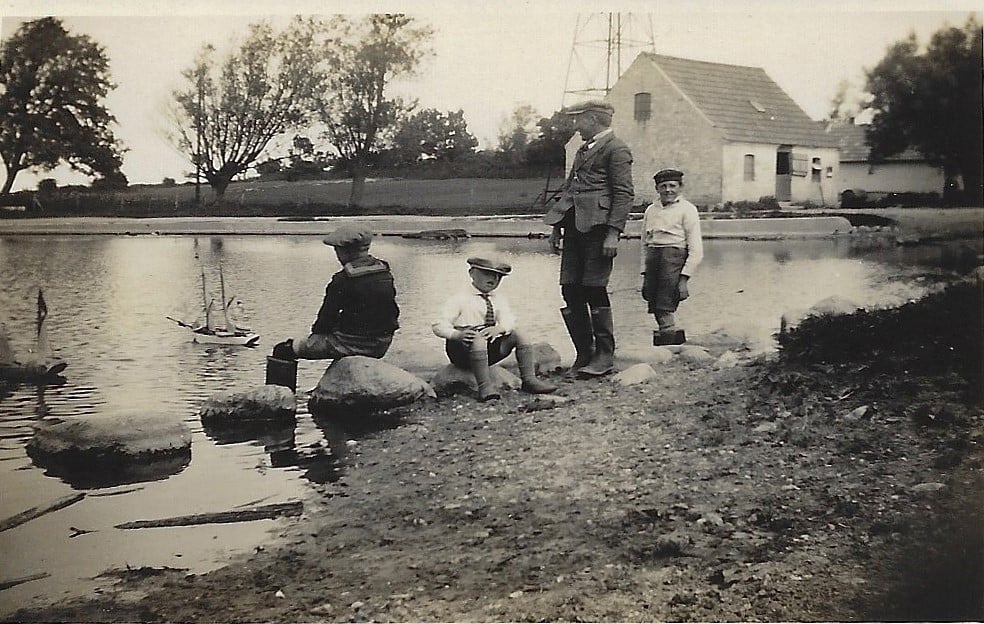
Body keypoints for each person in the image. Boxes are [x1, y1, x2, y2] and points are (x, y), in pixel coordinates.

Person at [543, 99, 634, 377]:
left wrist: (613, 233)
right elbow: (570, 190)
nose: (575, 124)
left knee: (594, 288)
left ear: (593, 119)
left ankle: (605, 356)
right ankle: (584, 353)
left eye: (578, 119)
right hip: (574, 230)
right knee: (570, 288)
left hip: (598, 231)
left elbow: (624, 194)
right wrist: (556, 226)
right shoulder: (583, 149)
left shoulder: (617, 149)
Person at [268, 224, 399, 387]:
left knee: (283, 350)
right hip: (382, 342)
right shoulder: (384, 271)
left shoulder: (343, 279)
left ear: (345, 250)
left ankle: (282, 397)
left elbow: (324, 322)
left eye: (337, 250)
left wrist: (318, 337)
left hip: (353, 343)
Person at [432, 257, 557, 402]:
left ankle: (529, 380)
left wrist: (500, 329)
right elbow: (438, 325)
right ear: (472, 273)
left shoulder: (498, 299)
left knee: (520, 334)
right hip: (462, 350)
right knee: (478, 339)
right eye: (487, 274)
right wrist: (457, 335)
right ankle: (485, 387)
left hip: (487, 350)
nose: (494, 279)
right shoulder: (459, 298)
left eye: (498, 276)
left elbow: (509, 319)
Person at [640, 168, 704, 345]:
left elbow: (696, 250)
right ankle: (668, 340)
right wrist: (644, 273)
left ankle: (671, 343)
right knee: (652, 300)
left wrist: (684, 280)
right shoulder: (651, 210)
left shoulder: (687, 209)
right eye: (663, 186)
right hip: (653, 258)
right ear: (657, 188)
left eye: (672, 186)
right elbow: (644, 244)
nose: (668, 190)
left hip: (673, 258)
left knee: (666, 303)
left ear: (680, 187)